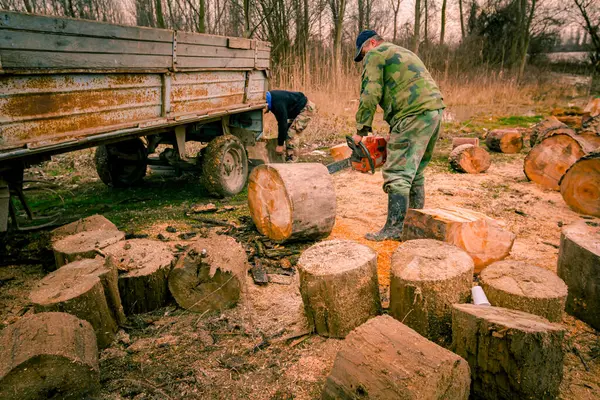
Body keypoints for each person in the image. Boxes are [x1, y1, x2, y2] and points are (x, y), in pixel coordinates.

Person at [352, 30, 445, 241]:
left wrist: (361, 131)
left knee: (397, 173)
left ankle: (394, 229)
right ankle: (414, 226)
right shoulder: (404, 51)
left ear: (372, 43)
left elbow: (370, 93)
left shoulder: (376, 54)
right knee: (416, 171)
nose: (364, 57)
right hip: (434, 111)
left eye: (363, 52)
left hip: (412, 113)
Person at [266, 90, 316, 162]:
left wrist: (280, 145)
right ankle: (288, 157)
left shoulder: (277, 103)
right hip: (296, 110)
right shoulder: (271, 99)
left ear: (266, 104)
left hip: (306, 109)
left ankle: (292, 161)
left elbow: (282, 124)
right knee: (287, 132)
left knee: (291, 134)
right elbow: (282, 122)